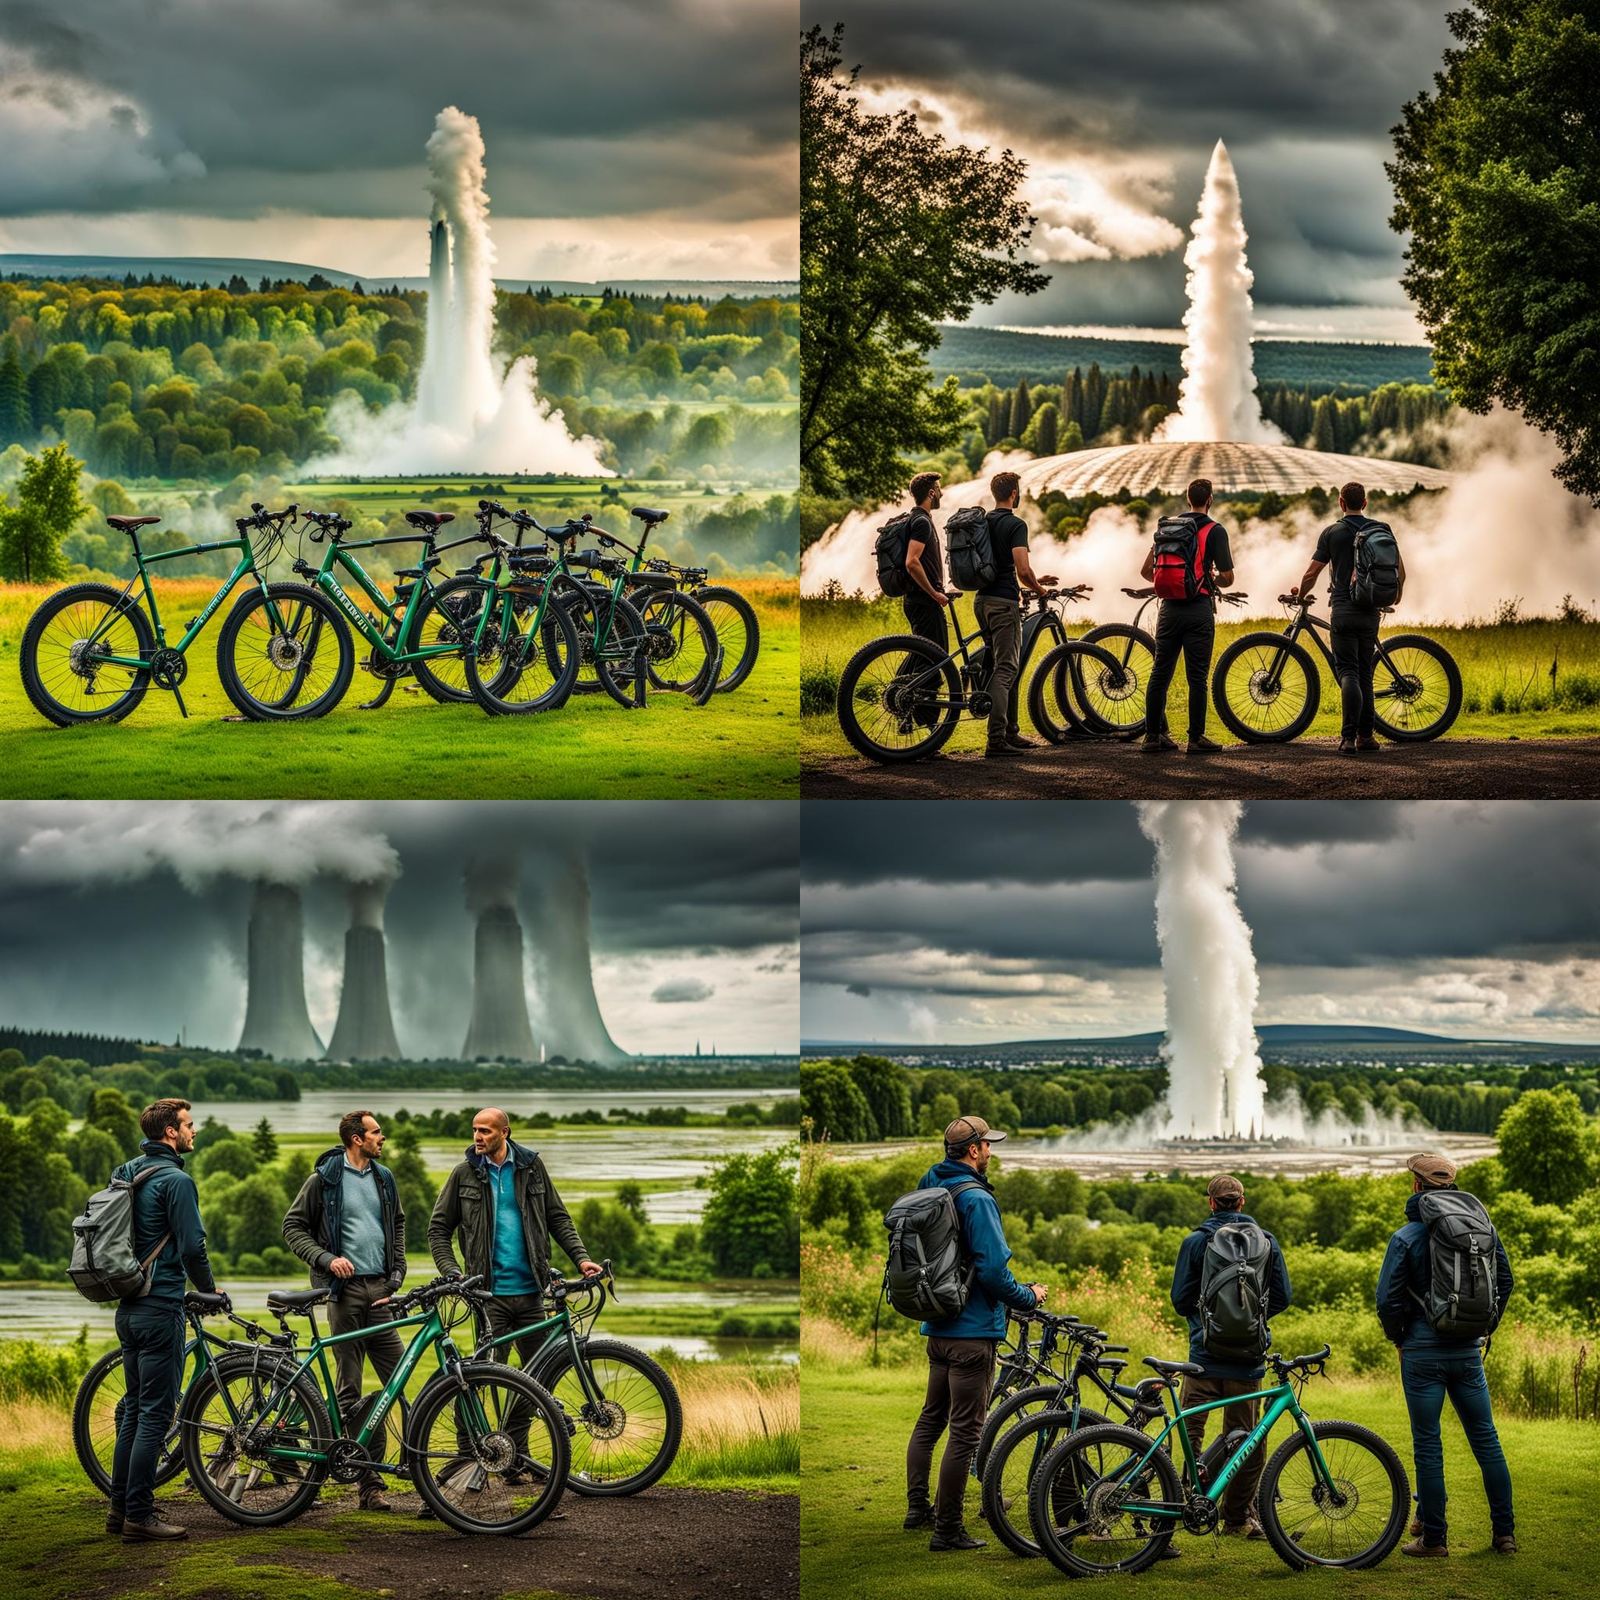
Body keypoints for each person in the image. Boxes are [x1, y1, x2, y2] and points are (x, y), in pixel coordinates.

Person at [429, 1108, 600, 1478]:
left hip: (531, 1295)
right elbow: (438, 1229)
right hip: (488, 1298)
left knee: (535, 1379)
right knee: (474, 1378)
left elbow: (558, 1218)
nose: (477, 1137)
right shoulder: (464, 1174)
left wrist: (582, 1259)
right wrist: (453, 1274)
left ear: (504, 1132)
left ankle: (517, 1457)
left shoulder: (531, 1168)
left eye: (485, 1131)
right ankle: (465, 1459)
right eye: (474, 1130)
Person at [905, 1115, 1046, 1552]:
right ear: (973, 1151)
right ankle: (947, 1530)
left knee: (931, 1419)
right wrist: (1029, 1296)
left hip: (938, 1325)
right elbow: (991, 1270)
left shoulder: (932, 1183)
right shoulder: (976, 1199)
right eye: (987, 1146)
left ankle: (917, 1510)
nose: (991, 1152)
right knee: (966, 1433)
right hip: (972, 1333)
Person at [1376, 1152, 1516, 1558]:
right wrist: (1483, 1327)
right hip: (1468, 1352)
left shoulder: (1406, 1237)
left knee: (1428, 1444)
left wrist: (1399, 1338)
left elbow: (1388, 1300)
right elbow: (1505, 1280)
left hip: (1421, 1352)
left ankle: (1434, 1539)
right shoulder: (1481, 1229)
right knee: (1487, 1441)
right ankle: (1504, 1535)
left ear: (1417, 1186)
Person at [108, 1098, 223, 1542]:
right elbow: (193, 1245)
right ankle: (140, 1514)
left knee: (134, 1411)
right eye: (189, 1125)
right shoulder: (176, 1180)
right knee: (155, 1415)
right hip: (161, 1307)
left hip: (128, 1306)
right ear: (171, 1133)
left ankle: (119, 1510)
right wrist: (209, 1288)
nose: (195, 1132)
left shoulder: (126, 1172)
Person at [282, 1109, 408, 1511]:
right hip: (343, 1293)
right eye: (375, 1133)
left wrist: (398, 1272)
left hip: (381, 1292)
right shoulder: (325, 1180)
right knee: (349, 1388)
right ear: (356, 1138)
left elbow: (398, 1225)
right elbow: (293, 1227)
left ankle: (418, 1477)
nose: (381, 1138)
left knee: (399, 1380)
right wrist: (324, 1259)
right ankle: (366, 1485)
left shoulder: (383, 1178)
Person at [1169, 1173, 1292, 1540]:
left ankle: (1185, 1502)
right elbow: (1283, 1297)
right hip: (1247, 1358)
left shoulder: (1196, 1241)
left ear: (1210, 1202)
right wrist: (1249, 1320)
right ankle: (1237, 1518)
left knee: (1191, 1430)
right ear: (1242, 1201)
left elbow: (1179, 1300)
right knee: (1248, 1439)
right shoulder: (1266, 1242)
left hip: (1203, 1356)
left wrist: (1208, 1321)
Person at [1289, 481, 1407, 755]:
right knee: (1364, 671)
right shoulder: (1382, 529)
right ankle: (1367, 738)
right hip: (1370, 611)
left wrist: (1300, 595)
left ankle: (1348, 739)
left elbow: (1311, 574)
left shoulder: (1333, 532)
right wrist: (1395, 596)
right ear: (1364, 503)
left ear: (1341, 503)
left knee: (1348, 673)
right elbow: (1399, 570)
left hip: (1343, 609)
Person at [1140, 478, 1234, 754]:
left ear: (1187, 497)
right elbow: (1228, 577)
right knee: (1197, 678)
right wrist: (1211, 577)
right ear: (1210, 500)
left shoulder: (1169, 527)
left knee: (1160, 673)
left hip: (1168, 609)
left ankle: (1152, 737)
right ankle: (1195, 739)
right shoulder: (1216, 531)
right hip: (1198, 609)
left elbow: (1147, 570)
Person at [972, 470, 1058, 758]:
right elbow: (1022, 570)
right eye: (1018, 491)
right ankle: (996, 740)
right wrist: (1039, 590)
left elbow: (1007, 566)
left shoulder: (984, 522)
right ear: (1013, 494)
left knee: (1001, 663)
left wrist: (1036, 580)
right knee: (1006, 668)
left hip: (982, 600)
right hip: (1003, 602)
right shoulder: (1015, 524)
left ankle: (1011, 732)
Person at [901, 472, 958, 652]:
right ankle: (903, 682)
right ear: (931, 494)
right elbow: (912, 562)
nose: (942, 494)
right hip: (924, 602)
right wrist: (934, 594)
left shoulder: (915, 519)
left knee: (924, 657)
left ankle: (901, 681)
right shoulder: (921, 522)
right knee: (935, 659)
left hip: (918, 600)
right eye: (939, 489)